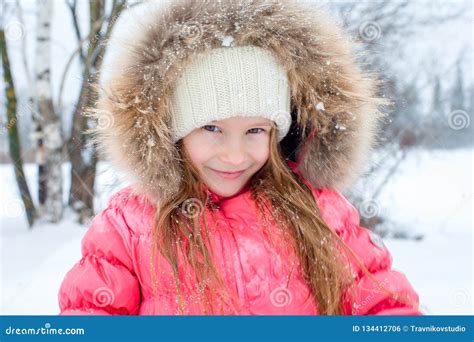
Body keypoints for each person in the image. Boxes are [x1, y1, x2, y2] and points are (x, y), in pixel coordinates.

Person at [58, 0, 421, 315]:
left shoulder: (321, 213)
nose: (234, 155)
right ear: (174, 131)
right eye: (212, 129)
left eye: (255, 131)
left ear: (278, 135)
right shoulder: (130, 226)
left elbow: (382, 304)